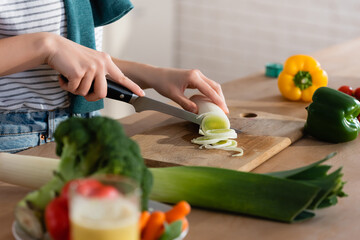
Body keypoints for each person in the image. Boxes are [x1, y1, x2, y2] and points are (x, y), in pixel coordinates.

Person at [0, 0, 228, 153]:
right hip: (12, 139)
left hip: (86, 128)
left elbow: (78, 59)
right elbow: (54, 49)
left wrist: (152, 75)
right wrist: (45, 46)